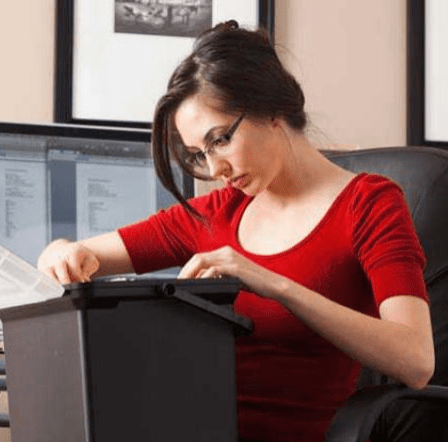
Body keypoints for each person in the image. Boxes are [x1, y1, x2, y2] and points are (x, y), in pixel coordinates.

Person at [36, 20, 434, 442]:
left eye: (221, 139)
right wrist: (61, 250)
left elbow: (415, 359)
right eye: (199, 154)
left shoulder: (369, 204)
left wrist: (274, 285)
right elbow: (84, 257)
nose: (214, 170)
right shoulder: (218, 212)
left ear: (272, 109)